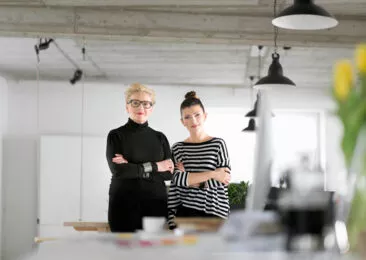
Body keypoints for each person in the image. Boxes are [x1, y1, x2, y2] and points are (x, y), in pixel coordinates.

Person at [106, 83, 174, 232]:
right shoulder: (116, 135)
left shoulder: (160, 137)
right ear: (127, 106)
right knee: (124, 253)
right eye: (135, 102)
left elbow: (169, 173)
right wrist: (156, 167)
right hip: (123, 206)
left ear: (152, 108)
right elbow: (119, 171)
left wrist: (133, 168)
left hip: (156, 205)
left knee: (153, 253)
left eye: (146, 104)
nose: (141, 108)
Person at [167, 91, 231, 229]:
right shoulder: (178, 148)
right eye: (188, 117)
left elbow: (224, 178)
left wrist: (190, 181)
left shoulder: (218, 144)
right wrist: (213, 173)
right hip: (186, 212)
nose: (193, 121)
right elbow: (177, 181)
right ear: (182, 121)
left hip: (216, 212)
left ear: (205, 116)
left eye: (197, 115)